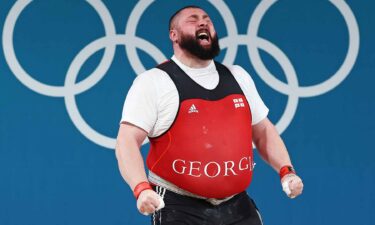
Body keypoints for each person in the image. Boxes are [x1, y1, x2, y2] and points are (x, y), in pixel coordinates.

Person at [115, 5, 303, 225]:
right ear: (173, 35)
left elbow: (263, 131)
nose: (203, 22)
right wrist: (141, 188)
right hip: (179, 208)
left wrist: (286, 171)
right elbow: (126, 141)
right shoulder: (154, 82)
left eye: (207, 19)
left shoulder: (238, 77)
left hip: (238, 207)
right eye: (192, 20)